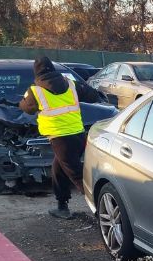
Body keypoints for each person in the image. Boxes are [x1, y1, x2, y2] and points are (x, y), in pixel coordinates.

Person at [19, 56, 105, 219]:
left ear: (36, 73)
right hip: (79, 135)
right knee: (58, 170)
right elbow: (92, 96)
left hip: (61, 139)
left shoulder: (35, 91)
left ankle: (104, 213)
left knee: (79, 178)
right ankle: (62, 206)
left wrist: (21, 101)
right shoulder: (70, 83)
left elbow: (26, 108)